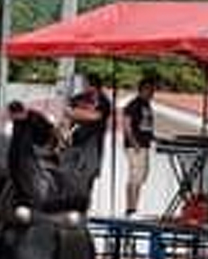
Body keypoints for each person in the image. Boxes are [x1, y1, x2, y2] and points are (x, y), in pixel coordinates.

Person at [64, 70, 113, 195]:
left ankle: (83, 205)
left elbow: (96, 116)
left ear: (93, 85)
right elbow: (66, 112)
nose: (84, 86)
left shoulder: (104, 101)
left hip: (93, 144)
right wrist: (78, 114)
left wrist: (76, 114)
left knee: (87, 176)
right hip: (74, 141)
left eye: (86, 83)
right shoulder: (78, 98)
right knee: (68, 173)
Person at [121, 74, 157, 217]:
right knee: (135, 176)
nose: (152, 93)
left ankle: (134, 207)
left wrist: (153, 137)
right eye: (150, 90)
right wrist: (134, 143)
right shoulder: (133, 104)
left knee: (141, 176)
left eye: (153, 91)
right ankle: (130, 209)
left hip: (144, 145)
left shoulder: (147, 105)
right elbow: (127, 125)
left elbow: (146, 126)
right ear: (143, 89)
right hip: (135, 146)